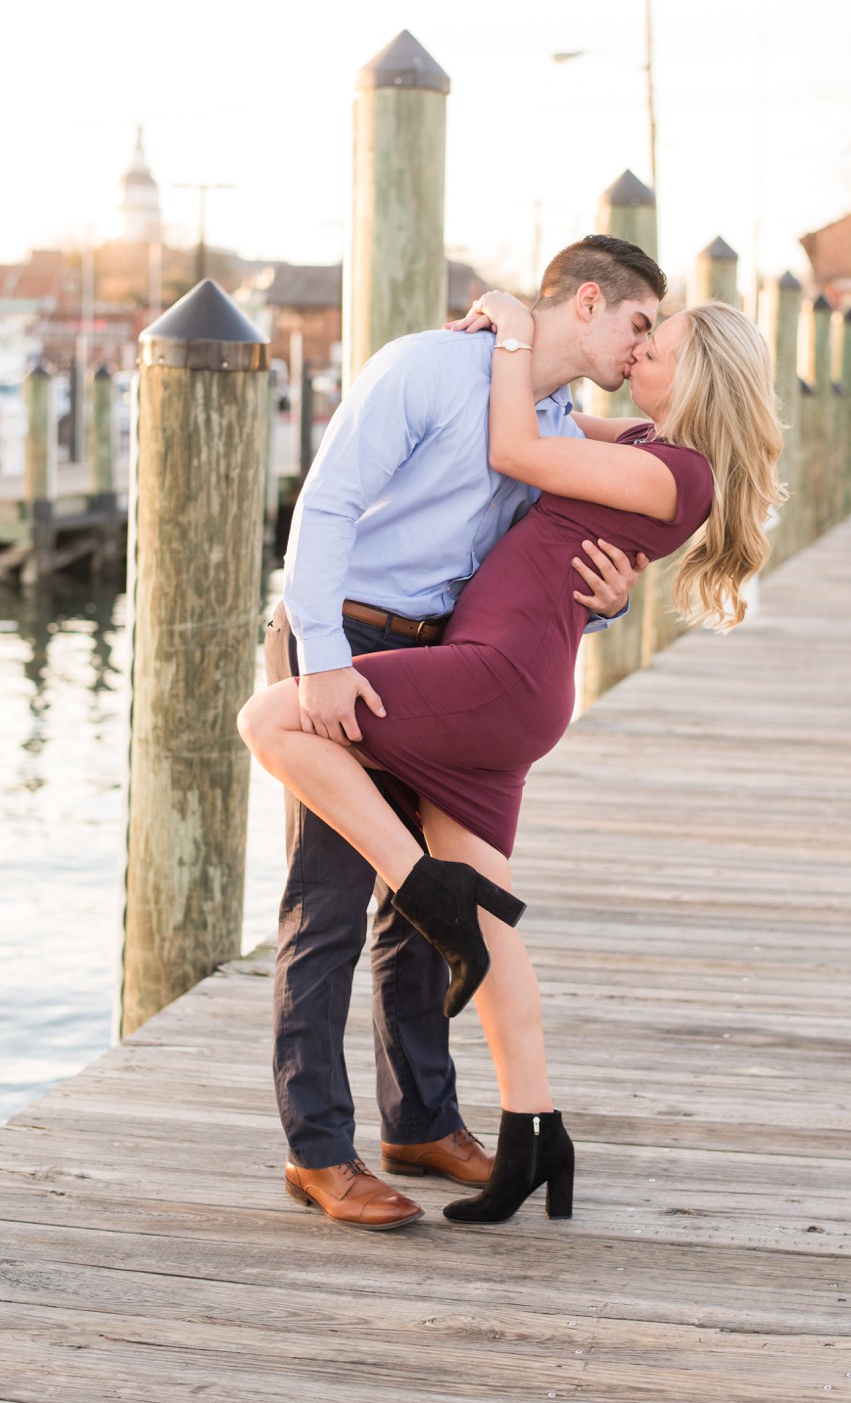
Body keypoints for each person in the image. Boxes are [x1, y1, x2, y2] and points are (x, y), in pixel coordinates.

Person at [240, 288, 787, 1227]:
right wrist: (517, 332)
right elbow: (537, 487)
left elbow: (524, 464)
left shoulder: (660, 464)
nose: (640, 348)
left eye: (660, 338)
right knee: (389, 912)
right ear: (589, 303)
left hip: (476, 673)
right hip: (374, 642)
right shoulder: (595, 429)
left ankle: (420, 1105)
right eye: (638, 325)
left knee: (294, 762)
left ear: (695, 372)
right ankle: (428, 1139)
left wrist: (520, 333)